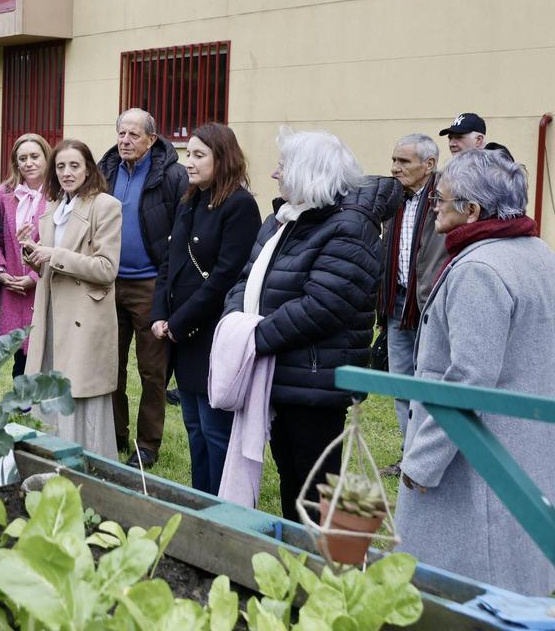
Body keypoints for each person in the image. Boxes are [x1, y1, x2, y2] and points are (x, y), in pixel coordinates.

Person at [397, 149, 555, 596]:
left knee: (469, 593)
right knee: (517, 584)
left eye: (441, 199)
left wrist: (421, 463)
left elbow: (468, 378)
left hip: (478, 466)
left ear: (473, 211)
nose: (433, 205)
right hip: (525, 452)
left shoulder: (480, 270)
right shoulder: (537, 254)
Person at [223, 129, 400, 518]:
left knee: (317, 488)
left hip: (316, 381)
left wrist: (252, 339)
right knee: (291, 479)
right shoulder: (282, 220)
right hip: (279, 374)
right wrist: (234, 321)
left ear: (308, 174)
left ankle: (325, 571)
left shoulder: (351, 227)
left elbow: (322, 306)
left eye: (283, 167)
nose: (274, 174)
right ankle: (296, 564)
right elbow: (245, 278)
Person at [150, 123, 261, 495]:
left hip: (212, 331)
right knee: (194, 426)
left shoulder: (240, 205)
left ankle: (220, 507)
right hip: (180, 331)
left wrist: (178, 323)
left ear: (222, 157)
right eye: (188, 154)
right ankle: (201, 502)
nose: (190, 162)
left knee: (214, 430)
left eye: (199, 155)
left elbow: (225, 276)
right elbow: (170, 261)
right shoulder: (191, 198)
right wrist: (158, 314)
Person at [97, 108, 188, 468]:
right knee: (110, 365)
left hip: (150, 283)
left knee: (153, 370)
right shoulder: (105, 170)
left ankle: (147, 443)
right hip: (107, 280)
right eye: (121, 133)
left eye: (134, 135)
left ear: (152, 139)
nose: (125, 141)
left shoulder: (172, 175)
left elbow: (182, 229)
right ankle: (115, 434)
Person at [22, 139, 122, 459]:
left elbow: (107, 268)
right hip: (52, 312)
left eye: (74, 165)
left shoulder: (105, 205)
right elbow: (50, 263)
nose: (66, 173)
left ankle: (88, 460)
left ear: (89, 169)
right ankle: (51, 457)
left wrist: (54, 254)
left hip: (84, 317)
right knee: (51, 382)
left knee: (80, 390)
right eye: (61, 166)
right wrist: (33, 254)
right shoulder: (54, 207)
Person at [376, 134, 443, 474]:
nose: (394, 168)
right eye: (394, 160)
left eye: (404, 161)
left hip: (429, 304)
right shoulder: (392, 197)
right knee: (401, 382)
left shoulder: (446, 196)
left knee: (427, 382)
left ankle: (427, 459)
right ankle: (409, 457)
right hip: (397, 300)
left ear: (429, 165)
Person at [0, 133, 52, 377]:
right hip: (14, 289)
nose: (29, 163)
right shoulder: (4, 194)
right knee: (20, 356)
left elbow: (65, 242)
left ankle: (45, 410)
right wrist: (1, 273)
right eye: (22, 158)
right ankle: (22, 408)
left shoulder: (58, 194)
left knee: (46, 352)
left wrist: (34, 278)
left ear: (47, 158)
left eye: (35, 156)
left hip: (46, 287)